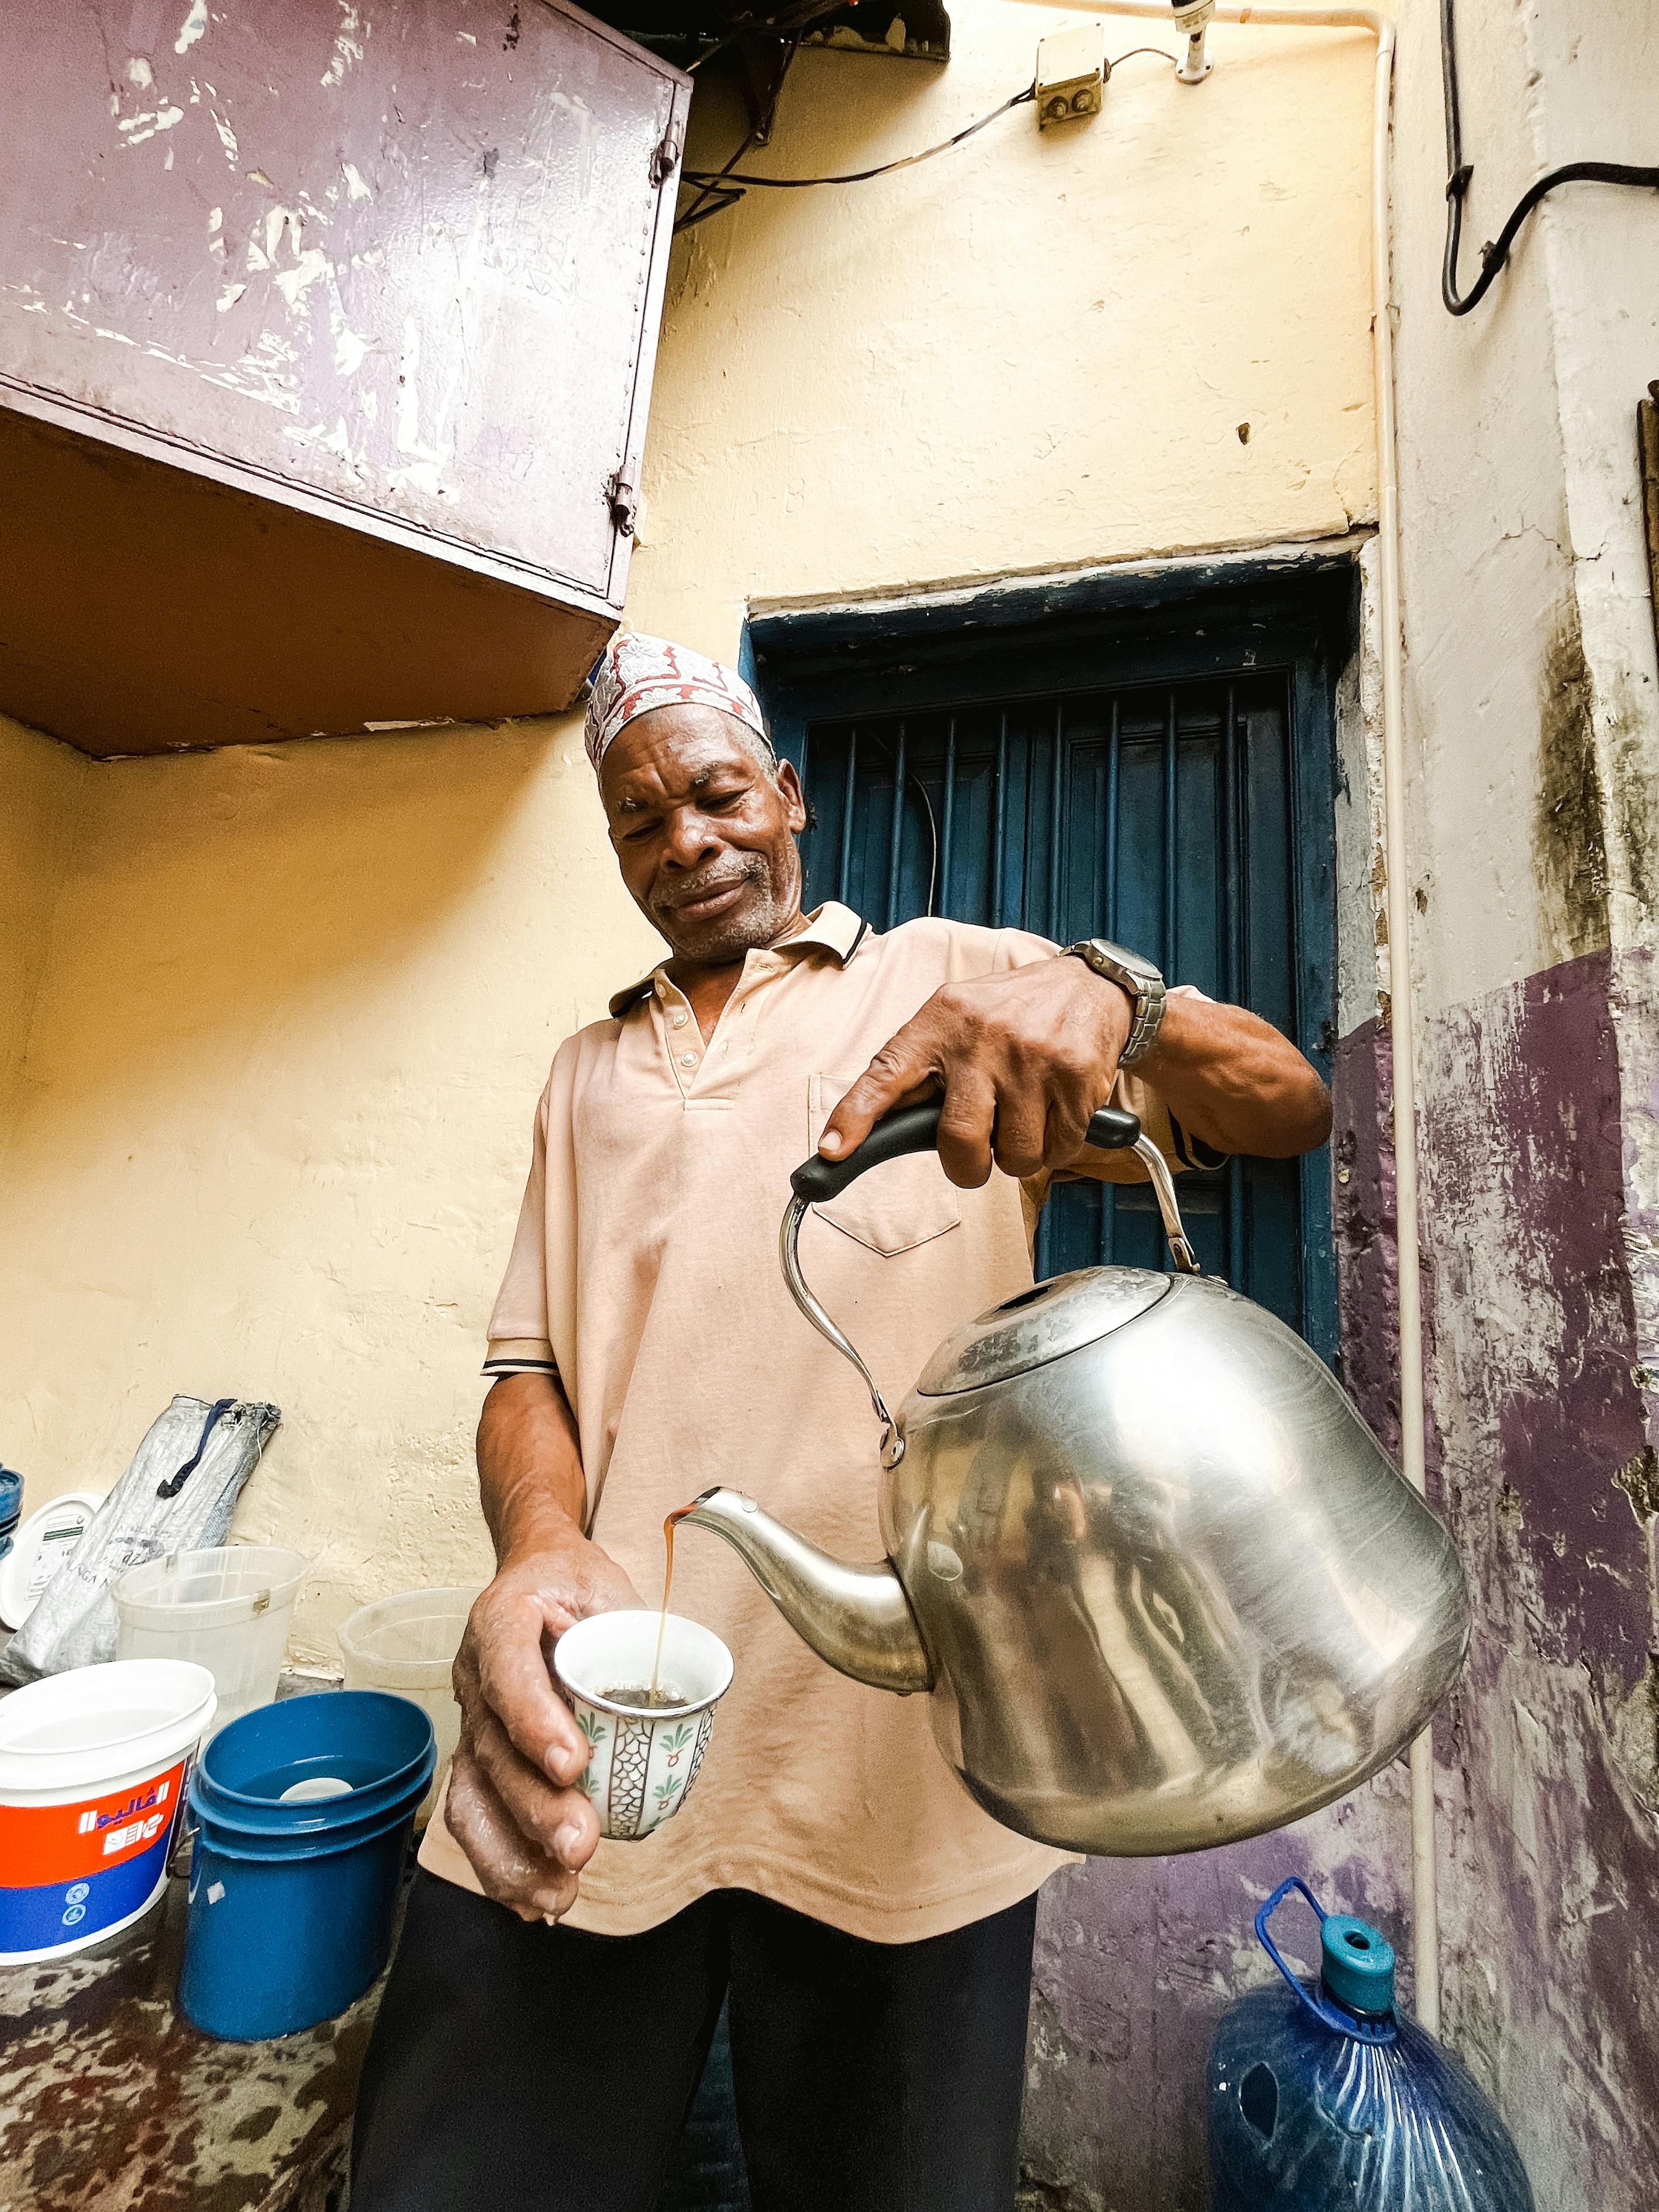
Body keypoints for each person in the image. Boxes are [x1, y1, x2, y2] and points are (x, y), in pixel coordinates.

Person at [350, 633, 1332, 2212]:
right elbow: (523, 1368)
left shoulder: (947, 981)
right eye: (638, 821)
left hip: (903, 1745)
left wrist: (1111, 1001)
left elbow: (1283, 1104)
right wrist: (538, 1543)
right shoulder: (586, 1068)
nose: (687, 843)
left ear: (788, 795)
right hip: (611, 1730)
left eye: (720, 794)